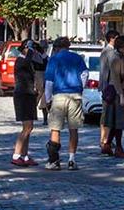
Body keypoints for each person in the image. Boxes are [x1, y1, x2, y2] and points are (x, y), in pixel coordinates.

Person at [43, 36, 88, 170]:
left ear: (56, 48)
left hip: (59, 95)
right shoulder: (77, 58)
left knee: (55, 128)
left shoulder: (54, 59)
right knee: (73, 129)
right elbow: (85, 74)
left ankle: (54, 160)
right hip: (75, 95)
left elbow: (49, 81)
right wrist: (80, 87)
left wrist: (48, 99)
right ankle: (71, 160)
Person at [11, 40, 46, 167]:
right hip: (22, 95)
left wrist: (41, 52)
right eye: (30, 48)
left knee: (29, 127)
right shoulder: (21, 60)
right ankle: (16, 155)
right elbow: (27, 60)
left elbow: (43, 65)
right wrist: (31, 48)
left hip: (29, 95)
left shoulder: (29, 61)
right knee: (27, 127)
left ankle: (24, 156)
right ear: (25, 48)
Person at [100, 31, 124, 158]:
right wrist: (122, 95)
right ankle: (118, 147)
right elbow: (115, 79)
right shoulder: (116, 59)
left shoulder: (123, 59)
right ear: (121, 47)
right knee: (118, 122)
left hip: (122, 91)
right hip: (116, 93)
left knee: (116, 123)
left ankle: (107, 144)